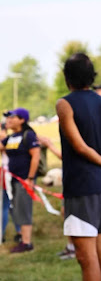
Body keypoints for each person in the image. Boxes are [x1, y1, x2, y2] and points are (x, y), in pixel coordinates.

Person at [57, 53, 101, 281]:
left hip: (80, 186)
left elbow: (79, 146)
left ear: (67, 77)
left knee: (86, 257)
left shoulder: (64, 104)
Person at [0, 108, 40, 253]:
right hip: (12, 179)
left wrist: (30, 178)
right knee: (16, 209)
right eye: (7, 118)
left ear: (22, 120)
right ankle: (22, 238)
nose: (8, 120)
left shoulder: (28, 135)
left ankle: (27, 243)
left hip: (24, 179)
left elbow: (36, 156)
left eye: (12, 117)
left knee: (24, 209)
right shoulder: (11, 137)